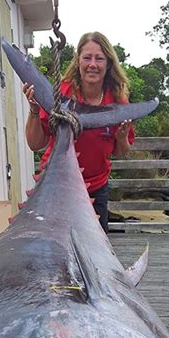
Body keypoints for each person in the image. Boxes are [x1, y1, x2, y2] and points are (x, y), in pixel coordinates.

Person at [23, 31, 135, 233]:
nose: (93, 64)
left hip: (94, 189)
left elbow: (120, 152)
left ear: (108, 63)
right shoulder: (60, 94)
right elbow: (35, 144)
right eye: (87, 58)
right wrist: (33, 109)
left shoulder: (118, 102)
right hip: (55, 188)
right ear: (78, 61)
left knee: (94, 253)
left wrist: (121, 139)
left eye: (99, 58)